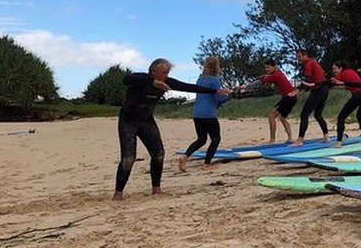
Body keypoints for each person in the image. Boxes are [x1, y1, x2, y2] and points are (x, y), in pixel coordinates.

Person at [113, 58, 229, 200]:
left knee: (159, 153)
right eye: (164, 73)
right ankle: (118, 193)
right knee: (128, 158)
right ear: (153, 72)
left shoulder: (167, 82)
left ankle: (156, 189)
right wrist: (152, 82)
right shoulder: (142, 78)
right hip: (128, 121)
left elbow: (188, 87)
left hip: (146, 121)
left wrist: (216, 91)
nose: (166, 76)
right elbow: (126, 79)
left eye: (167, 73)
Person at [178, 56, 232, 172]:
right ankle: (207, 164)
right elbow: (218, 98)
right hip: (209, 115)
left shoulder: (200, 79)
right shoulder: (214, 80)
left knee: (201, 139)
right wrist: (230, 96)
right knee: (216, 139)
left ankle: (185, 156)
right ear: (216, 66)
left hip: (197, 114)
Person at [241, 58, 299, 144]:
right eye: (266, 67)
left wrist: (246, 86)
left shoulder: (275, 75)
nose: (267, 69)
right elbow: (267, 77)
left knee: (271, 115)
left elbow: (261, 82)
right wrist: (264, 76)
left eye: (268, 67)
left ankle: (272, 140)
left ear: (274, 67)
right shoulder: (279, 73)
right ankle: (290, 138)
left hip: (288, 97)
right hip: (292, 97)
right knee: (282, 118)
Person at [292, 49, 329, 147]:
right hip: (325, 89)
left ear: (305, 55)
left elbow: (307, 79)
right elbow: (311, 82)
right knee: (317, 115)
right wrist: (303, 91)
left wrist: (299, 90)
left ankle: (300, 140)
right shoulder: (313, 62)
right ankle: (326, 136)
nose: (298, 59)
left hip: (319, 90)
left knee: (304, 114)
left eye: (299, 57)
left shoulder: (309, 63)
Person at [330, 60, 361, 147]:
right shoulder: (351, 71)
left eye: (335, 69)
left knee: (341, 117)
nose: (334, 71)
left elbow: (333, 82)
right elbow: (347, 86)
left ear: (341, 68)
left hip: (359, 95)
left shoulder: (344, 73)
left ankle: (339, 142)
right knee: (359, 116)